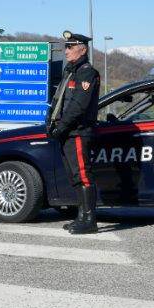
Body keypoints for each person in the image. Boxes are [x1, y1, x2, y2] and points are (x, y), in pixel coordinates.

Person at [46, 30, 101, 234]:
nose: (66, 50)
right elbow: (58, 101)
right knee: (74, 176)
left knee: (83, 175)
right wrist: (50, 123)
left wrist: (61, 126)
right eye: (65, 47)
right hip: (66, 133)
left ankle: (89, 220)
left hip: (77, 132)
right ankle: (81, 216)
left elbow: (78, 105)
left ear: (82, 49)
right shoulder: (70, 71)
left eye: (70, 47)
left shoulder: (87, 73)